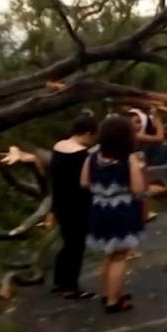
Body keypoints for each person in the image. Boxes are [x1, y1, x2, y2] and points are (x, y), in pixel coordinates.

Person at [81, 116, 145, 313]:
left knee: (108, 256)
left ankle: (106, 293)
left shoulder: (92, 157)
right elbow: (137, 189)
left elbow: (84, 182)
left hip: (99, 210)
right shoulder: (129, 160)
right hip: (122, 212)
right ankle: (114, 301)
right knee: (119, 257)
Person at [50, 113, 99, 299]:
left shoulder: (58, 147)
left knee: (67, 243)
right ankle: (71, 286)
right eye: (92, 136)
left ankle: (59, 281)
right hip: (77, 205)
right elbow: (86, 182)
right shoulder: (81, 155)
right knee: (76, 246)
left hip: (60, 202)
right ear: (87, 133)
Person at [128, 107, 165, 224]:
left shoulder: (135, 135)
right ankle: (143, 214)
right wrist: (158, 119)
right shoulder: (135, 135)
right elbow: (159, 138)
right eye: (136, 122)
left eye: (140, 122)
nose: (139, 125)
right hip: (133, 165)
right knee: (142, 189)